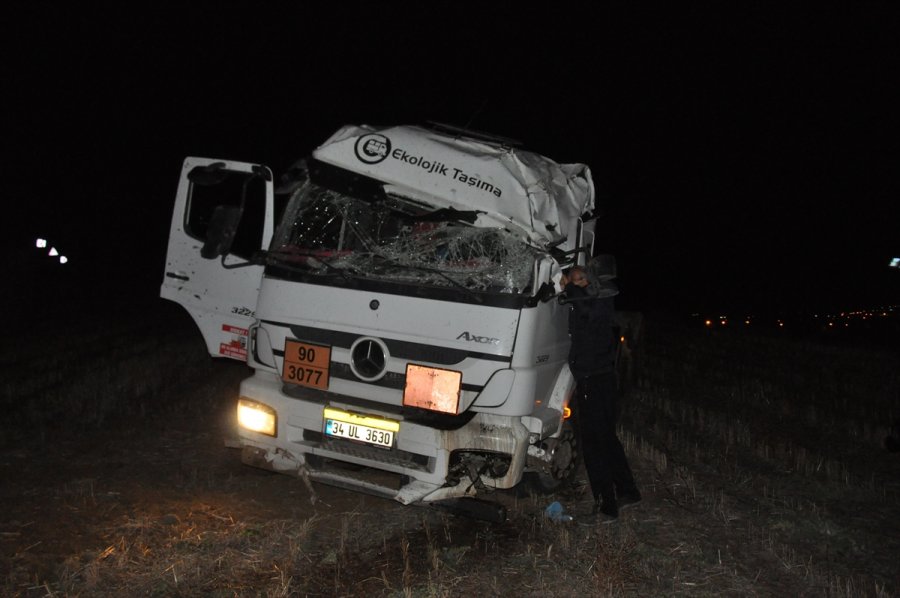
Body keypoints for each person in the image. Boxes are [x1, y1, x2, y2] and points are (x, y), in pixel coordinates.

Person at [560, 265, 640, 521]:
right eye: (574, 280)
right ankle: (628, 491)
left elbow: (585, 311)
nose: (578, 284)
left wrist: (569, 286)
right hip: (600, 378)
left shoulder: (599, 302)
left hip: (595, 381)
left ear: (592, 281)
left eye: (581, 280)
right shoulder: (592, 301)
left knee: (594, 443)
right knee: (606, 438)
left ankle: (607, 506)